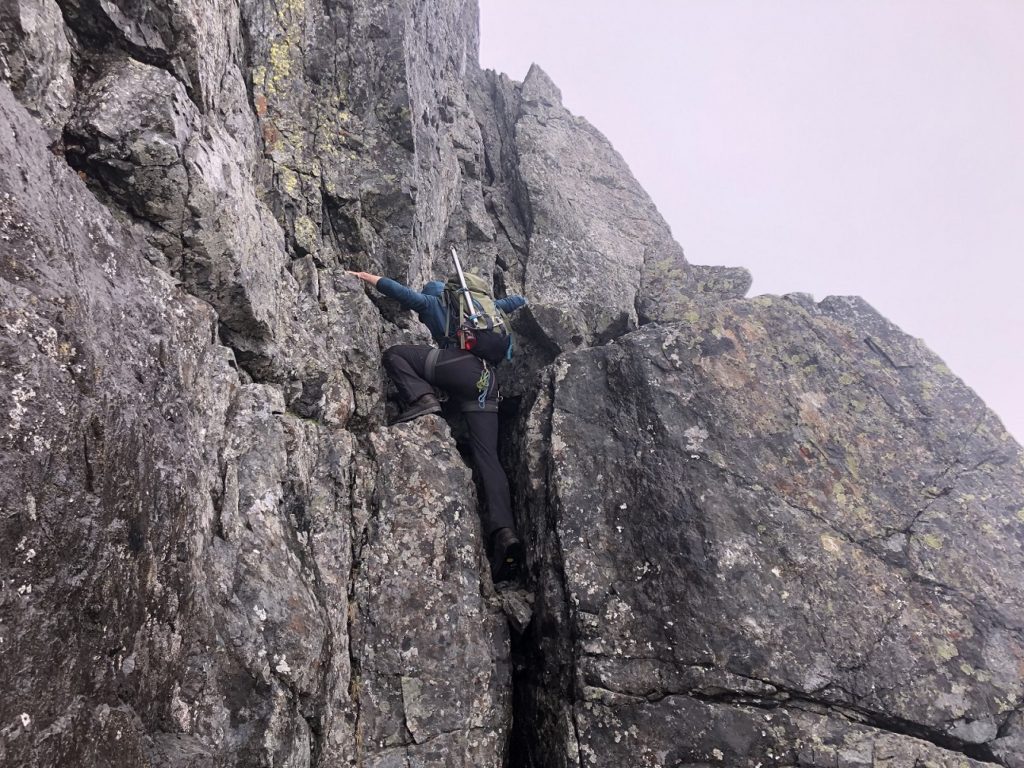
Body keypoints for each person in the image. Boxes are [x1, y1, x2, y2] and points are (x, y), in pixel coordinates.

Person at [347, 268, 528, 582]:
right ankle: (505, 532)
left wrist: (367, 277)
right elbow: (518, 300)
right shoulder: (484, 309)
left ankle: (423, 400)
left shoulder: (434, 304)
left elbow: (403, 294)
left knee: (396, 355)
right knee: (489, 458)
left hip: (458, 367)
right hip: (488, 382)